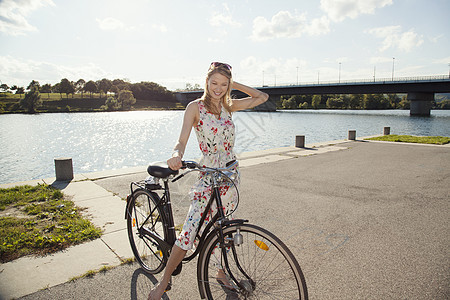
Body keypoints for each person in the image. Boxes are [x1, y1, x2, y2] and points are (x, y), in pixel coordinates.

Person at [148, 62, 269, 300]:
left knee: (223, 228)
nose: (218, 88)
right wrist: (176, 155)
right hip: (209, 175)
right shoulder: (195, 108)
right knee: (190, 230)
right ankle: (164, 281)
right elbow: (181, 139)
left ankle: (220, 273)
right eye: (214, 82)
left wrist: (233, 84)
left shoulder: (229, 106)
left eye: (224, 84)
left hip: (231, 176)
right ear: (206, 82)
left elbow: (262, 97)